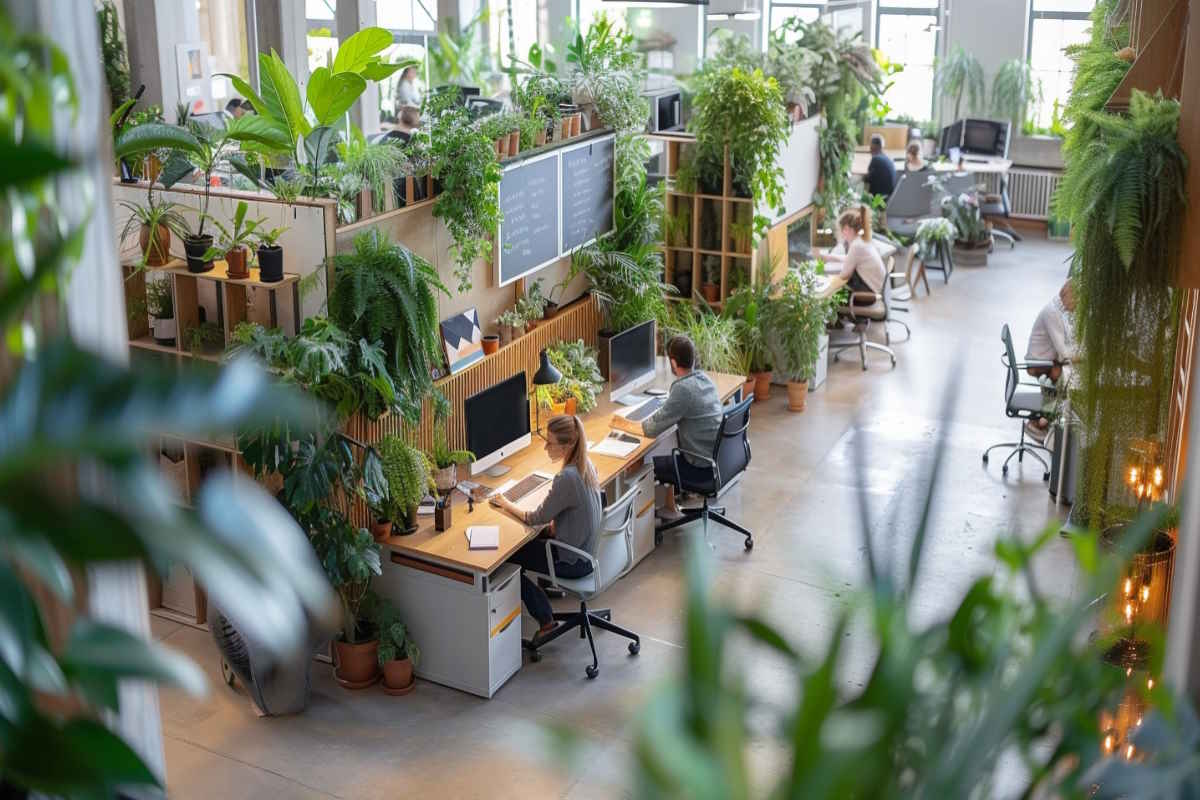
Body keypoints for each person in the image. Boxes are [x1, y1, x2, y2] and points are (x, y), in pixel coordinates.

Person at [495, 415, 602, 643]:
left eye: (550, 443)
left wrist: (504, 503)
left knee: (507, 560)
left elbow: (535, 518)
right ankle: (546, 590)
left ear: (567, 445)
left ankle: (545, 620)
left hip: (572, 562)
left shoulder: (567, 478)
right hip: (586, 552)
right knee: (533, 542)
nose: (545, 447)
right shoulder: (586, 465)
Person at [612, 335, 723, 518]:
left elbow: (650, 429)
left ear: (673, 362)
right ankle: (670, 507)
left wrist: (622, 424)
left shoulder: (682, 389)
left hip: (699, 467)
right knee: (671, 442)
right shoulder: (705, 379)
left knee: (644, 461)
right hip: (717, 461)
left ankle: (636, 521)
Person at [1023, 280, 1078, 441]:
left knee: (1062, 373)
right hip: (1038, 363)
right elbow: (1063, 352)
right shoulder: (1052, 313)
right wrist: (1082, 355)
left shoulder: (1059, 310)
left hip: (1046, 359)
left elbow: (1067, 339)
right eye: (1078, 301)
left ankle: (1044, 421)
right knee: (1062, 377)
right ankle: (1041, 424)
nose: (1078, 307)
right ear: (1069, 296)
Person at [819, 205, 887, 296]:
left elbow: (844, 275)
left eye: (840, 230)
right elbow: (850, 259)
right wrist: (829, 257)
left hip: (871, 292)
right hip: (878, 287)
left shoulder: (856, 246)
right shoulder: (861, 239)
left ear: (846, 229)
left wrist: (828, 283)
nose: (840, 233)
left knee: (833, 292)